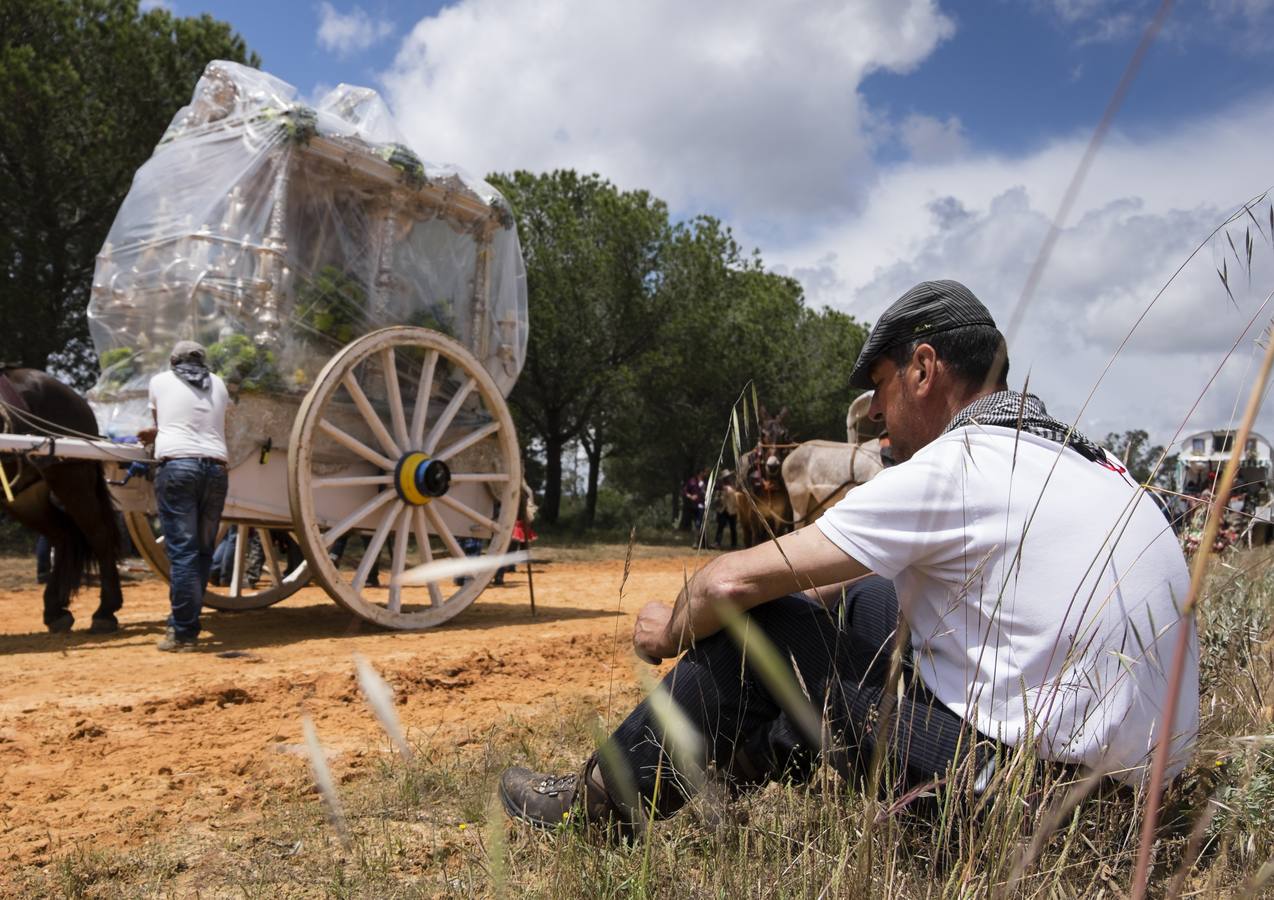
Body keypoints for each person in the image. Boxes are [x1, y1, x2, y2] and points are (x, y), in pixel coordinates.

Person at [498, 280, 1198, 833]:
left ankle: (599, 804)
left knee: (757, 627)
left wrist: (667, 629)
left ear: (923, 368)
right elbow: (865, 585)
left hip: (1030, 805)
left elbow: (728, 578)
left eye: (882, 394)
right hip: (1133, 802)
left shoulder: (956, 465)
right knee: (869, 599)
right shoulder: (1092, 459)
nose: (881, 425)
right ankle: (740, 754)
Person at [139, 341, 229, 652]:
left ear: (173, 361)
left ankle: (183, 631)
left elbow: (159, 424)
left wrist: (152, 435)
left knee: (183, 553)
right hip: (216, 469)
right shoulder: (219, 384)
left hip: (178, 468)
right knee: (202, 552)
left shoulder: (160, 381)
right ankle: (186, 620)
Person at [712, 470, 739, 550]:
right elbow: (716, 499)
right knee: (720, 527)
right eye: (726, 478)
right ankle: (717, 543)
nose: (727, 479)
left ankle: (734, 544)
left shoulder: (734, 487)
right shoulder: (720, 488)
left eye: (728, 477)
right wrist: (718, 499)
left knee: (733, 528)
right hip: (722, 510)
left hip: (732, 510)